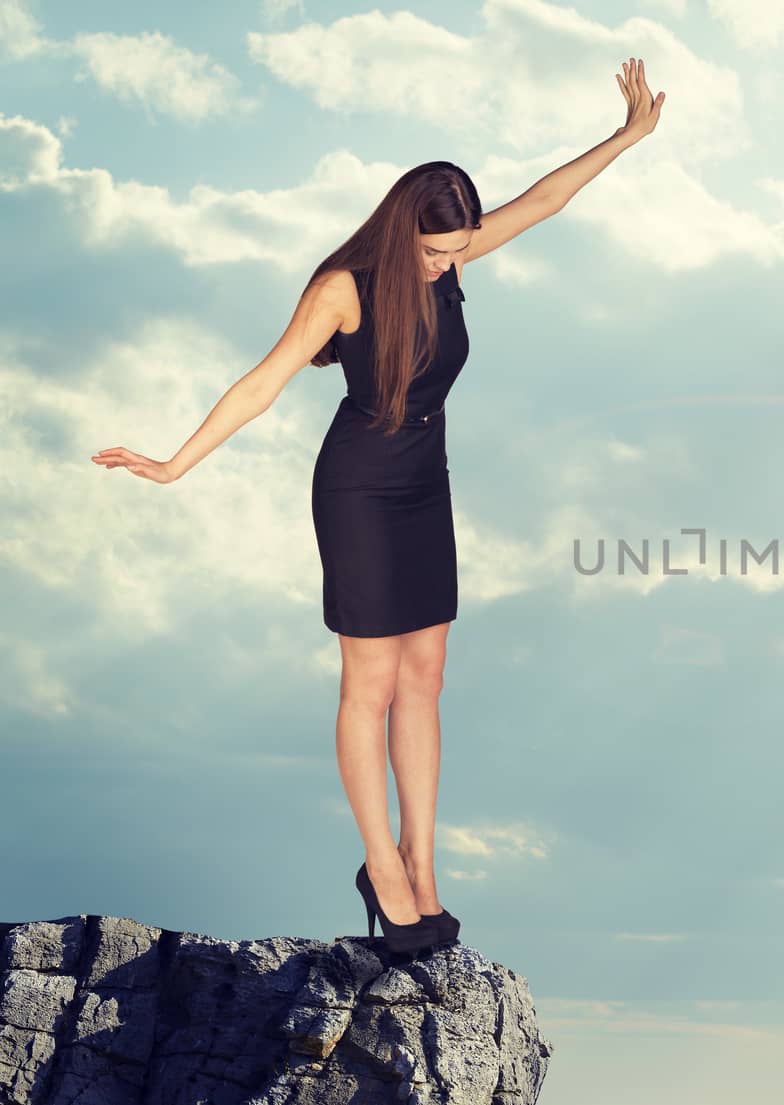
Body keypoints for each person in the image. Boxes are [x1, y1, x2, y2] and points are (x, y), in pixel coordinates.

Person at [91, 58, 665, 957]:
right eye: (437, 252)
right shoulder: (342, 289)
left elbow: (544, 200)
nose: (449, 264)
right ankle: (381, 870)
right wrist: (173, 465)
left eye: (457, 250)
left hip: (425, 483)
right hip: (357, 486)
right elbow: (262, 384)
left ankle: (421, 865)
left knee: (426, 677)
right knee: (371, 683)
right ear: (405, 233)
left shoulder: (455, 249)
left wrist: (629, 136)